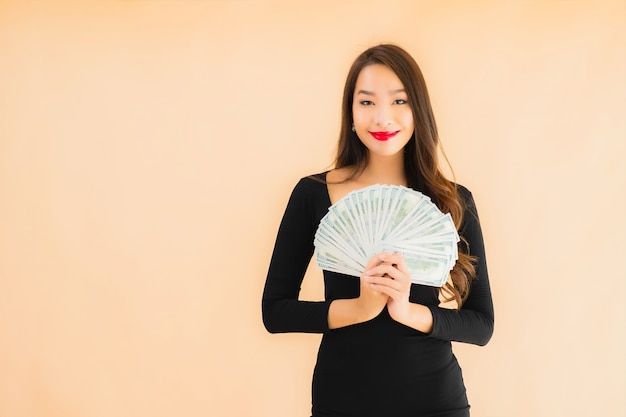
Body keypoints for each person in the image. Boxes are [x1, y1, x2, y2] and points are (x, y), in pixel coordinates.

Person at [262, 44, 494, 417]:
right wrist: (358, 308)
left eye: (399, 101)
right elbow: (274, 312)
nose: (383, 118)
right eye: (367, 102)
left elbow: (482, 325)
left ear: (419, 111)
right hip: (341, 401)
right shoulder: (313, 194)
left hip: (436, 402)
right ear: (350, 113)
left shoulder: (452, 201)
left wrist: (407, 310)